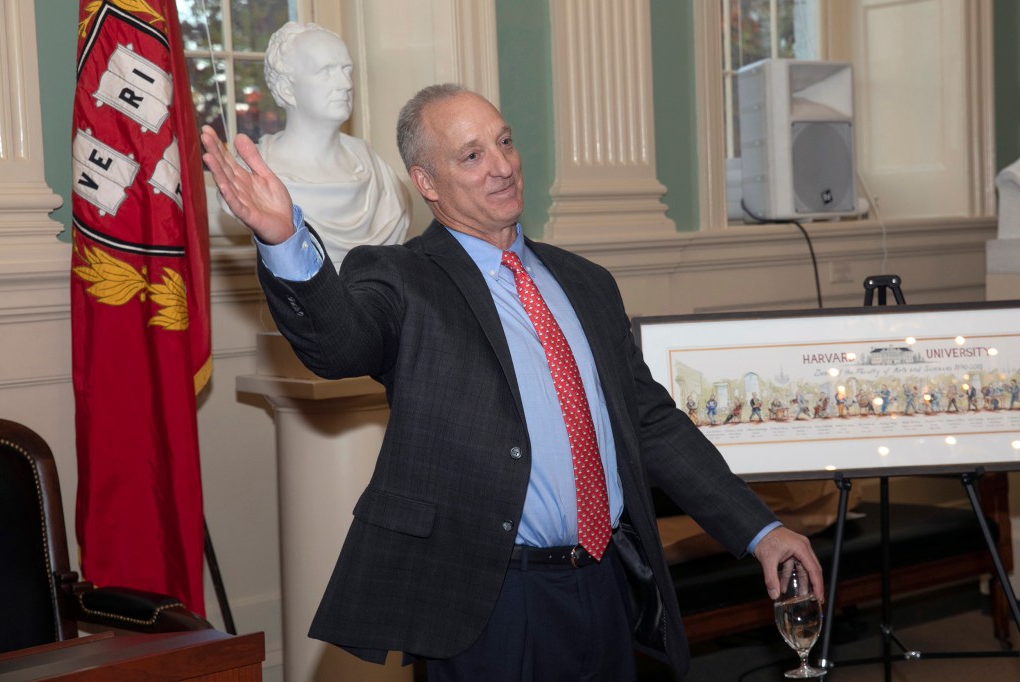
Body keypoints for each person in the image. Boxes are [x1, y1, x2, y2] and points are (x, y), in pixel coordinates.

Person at [201, 83, 822, 680]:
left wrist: (760, 529)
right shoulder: (401, 279)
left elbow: (651, 421)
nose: (501, 166)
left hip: (608, 582)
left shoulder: (585, 283)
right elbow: (339, 345)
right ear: (427, 184)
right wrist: (283, 240)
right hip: (491, 601)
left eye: (504, 142)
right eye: (471, 156)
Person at [258, 22, 409, 270]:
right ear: (287, 89)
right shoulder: (259, 172)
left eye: (346, 69)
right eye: (326, 71)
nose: (346, 84)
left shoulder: (376, 171)